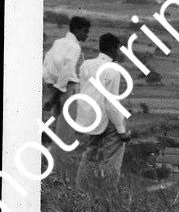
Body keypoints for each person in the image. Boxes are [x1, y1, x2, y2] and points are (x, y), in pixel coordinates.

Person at [75, 33, 131, 187]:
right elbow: (111, 104)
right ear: (114, 49)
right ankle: (109, 191)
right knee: (113, 155)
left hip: (89, 118)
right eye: (118, 49)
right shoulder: (113, 70)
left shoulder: (86, 65)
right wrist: (121, 131)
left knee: (90, 152)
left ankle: (80, 189)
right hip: (105, 117)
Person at [42, 16, 90, 176]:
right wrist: (56, 95)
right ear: (76, 29)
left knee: (58, 132)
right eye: (85, 31)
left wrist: (51, 87)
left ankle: (54, 171)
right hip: (66, 90)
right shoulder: (74, 47)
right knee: (65, 136)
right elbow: (66, 71)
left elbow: (47, 65)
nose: (87, 35)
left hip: (54, 88)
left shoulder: (57, 43)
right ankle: (57, 174)